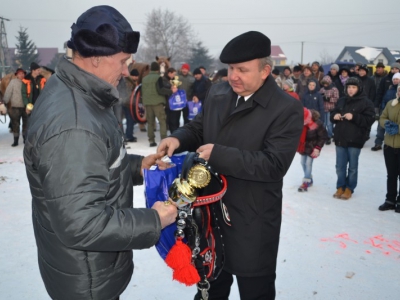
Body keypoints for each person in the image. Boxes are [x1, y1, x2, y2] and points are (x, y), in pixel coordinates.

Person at [23, 6, 177, 300]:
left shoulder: (85, 93)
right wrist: (154, 220)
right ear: (95, 58)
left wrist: (138, 166)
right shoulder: (74, 124)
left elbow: (94, 163)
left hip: (90, 268)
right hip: (86, 278)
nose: (126, 71)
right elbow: (82, 223)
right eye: (121, 62)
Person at [158, 31, 303, 300]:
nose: (233, 75)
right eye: (231, 68)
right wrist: (177, 139)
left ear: (265, 71)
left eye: (243, 70)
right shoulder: (220, 92)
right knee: (210, 289)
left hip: (252, 220)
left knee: (255, 292)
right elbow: (200, 127)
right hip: (209, 216)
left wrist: (219, 155)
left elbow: (274, 164)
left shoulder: (285, 108)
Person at [330, 77, 375, 200]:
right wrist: (335, 116)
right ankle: (340, 186)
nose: (350, 90)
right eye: (349, 87)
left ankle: (349, 188)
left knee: (353, 167)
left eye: (353, 87)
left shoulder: (366, 102)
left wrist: (354, 116)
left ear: (359, 88)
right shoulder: (342, 100)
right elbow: (332, 114)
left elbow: (369, 120)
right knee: (340, 166)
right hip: (340, 138)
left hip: (355, 139)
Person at [378, 85, 400, 212]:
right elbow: (382, 117)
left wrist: (398, 128)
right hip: (389, 146)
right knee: (391, 175)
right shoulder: (391, 103)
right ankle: (390, 200)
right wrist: (386, 124)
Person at [297, 108, 328, 191]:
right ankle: (309, 177)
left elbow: (323, 136)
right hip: (304, 146)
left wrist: (317, 148)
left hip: (313, 147)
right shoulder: (302, 123)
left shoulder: (317, 123)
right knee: (302, 162)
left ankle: (306, 182)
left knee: (308, 163)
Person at [372, 63, 400, 151]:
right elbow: (381, 94)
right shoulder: (386, 81)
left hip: (396, 111)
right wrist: (377, 105)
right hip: (385, 108)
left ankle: (394, 145)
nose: (394, 70)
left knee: (395, 127)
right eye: (393, 68)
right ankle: (378, 143)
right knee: (381, 125)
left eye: (396, 68)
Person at [141, 61, 168, 147]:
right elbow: (161, 90)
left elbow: (142, 91)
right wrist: (171, 91)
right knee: (162, 121)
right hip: (157, 103)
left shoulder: (144, 79)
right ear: (158, 69)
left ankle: (151, 141)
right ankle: (163, 140)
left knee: (150, 122)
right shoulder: (158, 78)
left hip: (148, 103)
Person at [3, 68, 28, 146]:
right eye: (20, 73)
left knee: (26, 124)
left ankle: (25, 139)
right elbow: (8, 92)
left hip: (25, 107)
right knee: (15, 124)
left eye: (23, 73)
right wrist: (5, 102)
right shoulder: (13, 82)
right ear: (16, 75)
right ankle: (16, 140)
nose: (22, 75)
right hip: (15, 106)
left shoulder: (26, 82)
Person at [117, 68, 138, 143]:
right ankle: (128, 136)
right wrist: (132, 103)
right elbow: (129, 94)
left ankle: (124, 136)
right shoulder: (128, 82)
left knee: (120, 120)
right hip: (126, 103)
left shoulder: (127, 80)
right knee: (129, 119)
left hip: (122, 102)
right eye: (135, 76)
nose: (136, 78)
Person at [319, 75, 339, 145]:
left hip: (331, 109)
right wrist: (321, 97)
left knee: (329, 124)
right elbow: (319, 98)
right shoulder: (322, 89)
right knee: (323, 124)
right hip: (323, 109)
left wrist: (329, 99)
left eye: (326, 83)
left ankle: (329, 136)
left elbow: (336, 99)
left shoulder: (334, 89)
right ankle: (324, 136)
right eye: (324, 83)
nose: (325, 85)